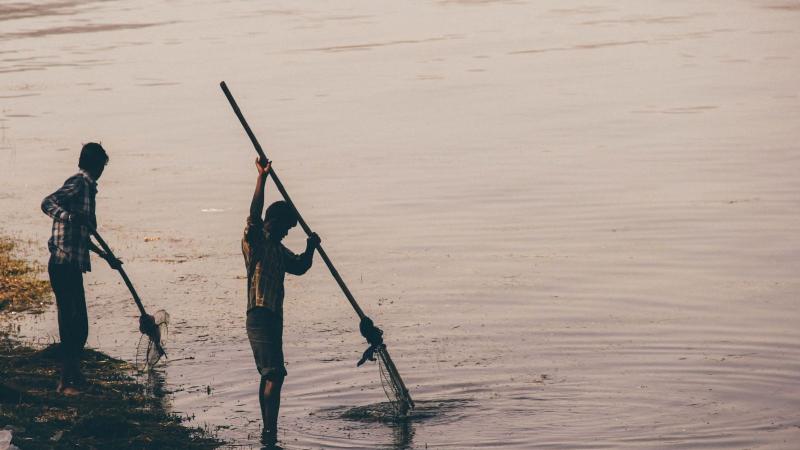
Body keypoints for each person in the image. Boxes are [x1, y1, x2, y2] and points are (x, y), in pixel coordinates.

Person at [242, 157, 320, 444]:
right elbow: (253, 213)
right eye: (286, 227)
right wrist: (262, 178)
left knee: (270, 374)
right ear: (272, 222)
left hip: (274, 316)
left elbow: (299, 266)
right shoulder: (257, 241)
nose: (287, 232)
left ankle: (268, 431)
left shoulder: (277, 248)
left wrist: (311, 248)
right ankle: (270, 432)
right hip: (260, 314)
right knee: (275, 373)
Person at [41, 142, 122, 395]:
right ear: (96, 165)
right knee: (71, 323)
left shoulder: (89, 190)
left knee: (80, 325)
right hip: (62, 262)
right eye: (102, 166)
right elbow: (48, 203)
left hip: (73, 264)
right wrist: (70, 217)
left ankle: (74, 375)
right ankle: (65, 382)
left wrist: (106, 257)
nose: (102, 171)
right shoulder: (80, 183)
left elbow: (83, 236)